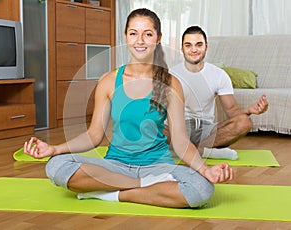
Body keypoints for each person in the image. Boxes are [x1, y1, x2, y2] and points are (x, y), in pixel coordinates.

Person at [23, 9, 233, 209]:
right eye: (134, 33)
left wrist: (206, 170)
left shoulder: (171, 83)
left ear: (158, 38)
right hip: (116, 165)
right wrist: (55, 149)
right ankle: (146, 187)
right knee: (56, 165)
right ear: (125, 36)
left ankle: (112, 194)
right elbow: (94, 135)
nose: (140, 40)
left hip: (158, 167)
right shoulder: (108, 81)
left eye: (147, 34)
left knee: (201, 189)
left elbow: (179, 141)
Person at [166, 26, 268, 160]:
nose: (194, 49)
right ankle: (204, 151)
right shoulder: (170, 74)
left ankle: (186, 150)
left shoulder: (219, 75)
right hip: (177, 129)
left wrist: (250, 110)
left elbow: (232, 110)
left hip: (206, 130)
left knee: (244, 122)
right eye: (188, 45)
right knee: (146, 125)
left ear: (206, 46)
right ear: (182, 48)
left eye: (199, 44)